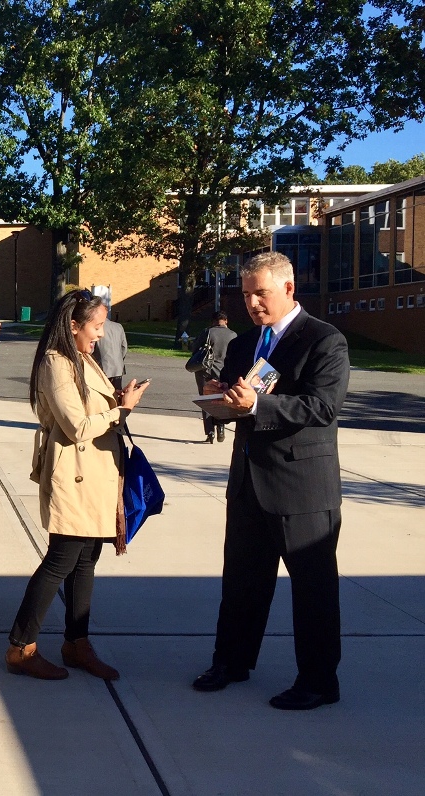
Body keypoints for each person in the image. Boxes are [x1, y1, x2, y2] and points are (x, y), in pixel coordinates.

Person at [192, 252, 350, 711]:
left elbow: (322, 408)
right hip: (247, 484)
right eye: (245, 294)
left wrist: (257, 407)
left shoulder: (324, 340)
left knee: (313, 589)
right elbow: (234, 396)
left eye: (260, 292)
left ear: (288, 288)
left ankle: (319, 682)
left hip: (302, 486)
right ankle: (231, 662)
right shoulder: (244, 345)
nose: (252, 302)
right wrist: (217, 399)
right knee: (241, 581)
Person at [5, 290, 149, 681]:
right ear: (73, 326)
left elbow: (90, 414)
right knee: (60, 561)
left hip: (97, 473)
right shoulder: (56, 362)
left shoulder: (81, 359)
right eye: (97, 326)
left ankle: (76, 642)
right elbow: (77, 426)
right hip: (74, 474)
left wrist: (115, 402)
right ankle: (21, 647)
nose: (102, 334)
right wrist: (122, 409)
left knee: (86, 561)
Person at [191, 311, 238, 443]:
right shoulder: (233, 335)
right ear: (226, 321)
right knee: (221, 400)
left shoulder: (207, 332)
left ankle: (210, 432)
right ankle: (221, 428)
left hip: (205, 370)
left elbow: (195, 350)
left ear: (213, 321)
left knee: (205, 399)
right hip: (224, 371)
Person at [91, 316, 127, 390]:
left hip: (102, 367)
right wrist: (120, 360)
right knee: (116, 393)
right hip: (117, 367)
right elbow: (124, 347)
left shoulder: (96, 327)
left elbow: (91, 349)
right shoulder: (118, 326)